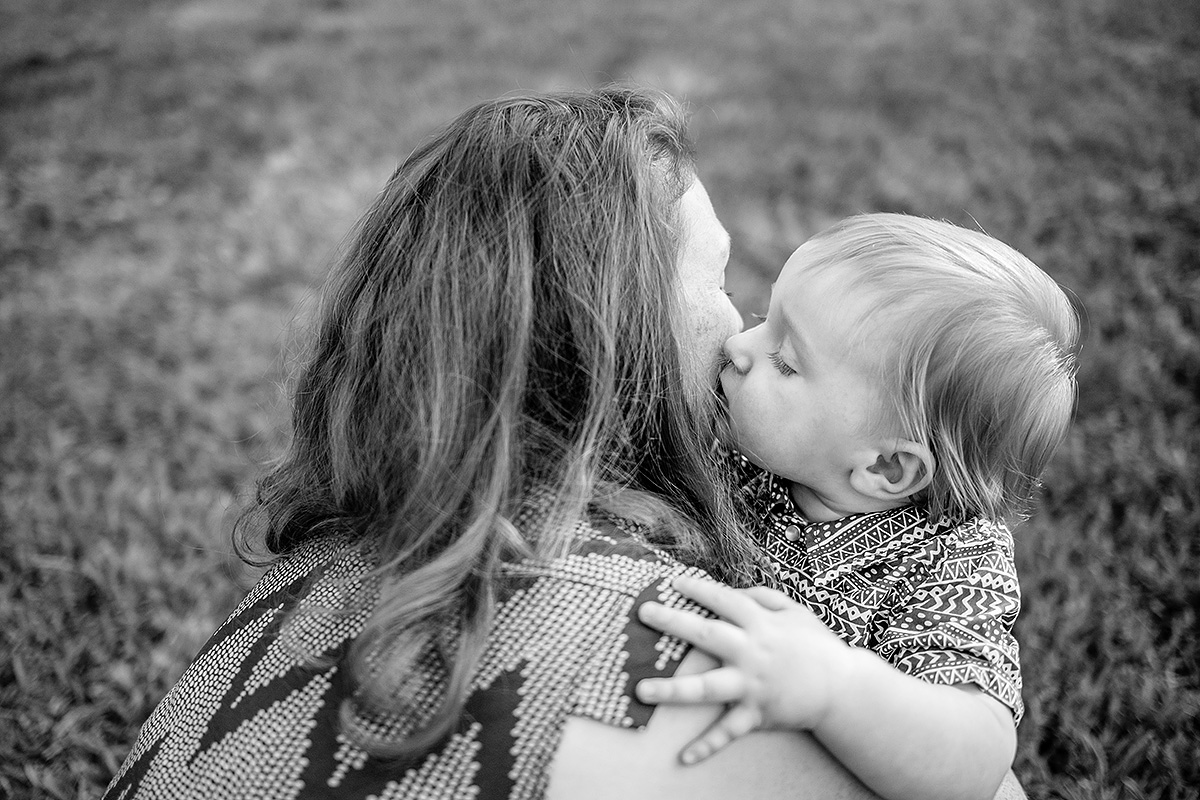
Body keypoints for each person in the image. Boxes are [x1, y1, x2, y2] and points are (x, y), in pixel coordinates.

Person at [100, 86, 890, 800]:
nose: (739, 327)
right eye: (716, 282)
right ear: (611, 335)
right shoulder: (669, 653)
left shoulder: (304, 573)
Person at [635, 214, 1079, 800]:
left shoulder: (948, 562)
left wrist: (833, 685)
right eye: (763, 319)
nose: (739, 346)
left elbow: (979, 757)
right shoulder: (733, 451)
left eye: (785, 360)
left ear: (886, 468)